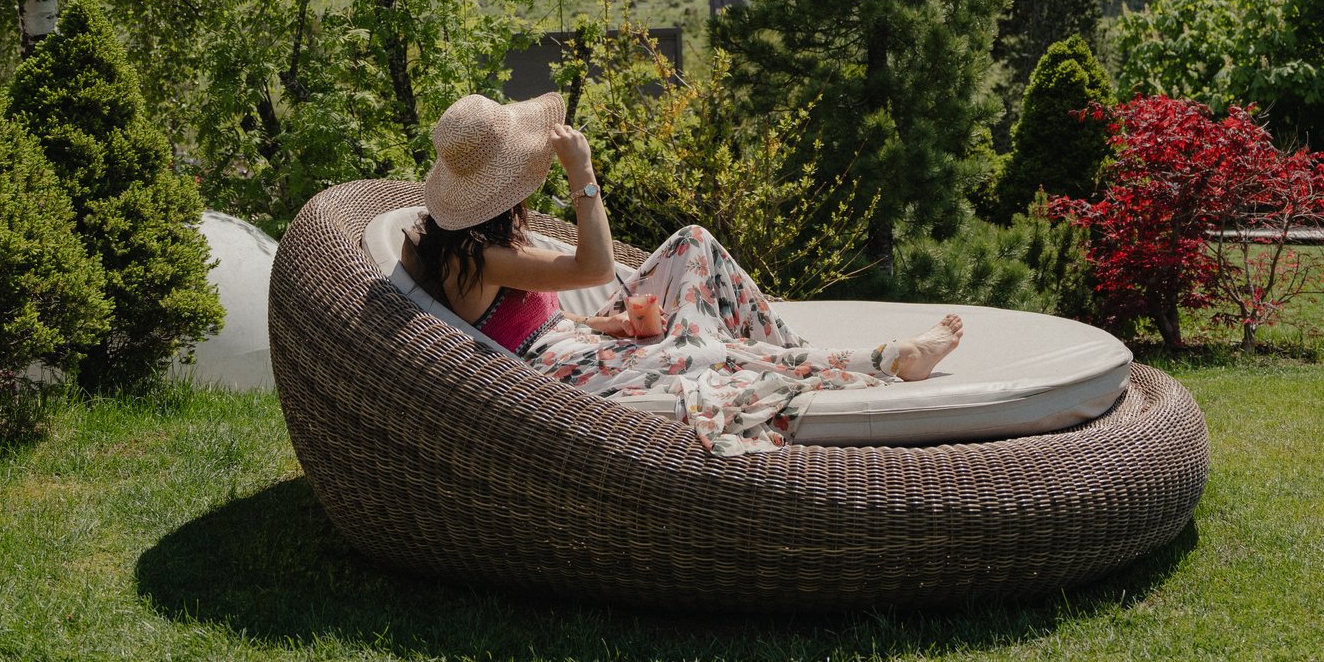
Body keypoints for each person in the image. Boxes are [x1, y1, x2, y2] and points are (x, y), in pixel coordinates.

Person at [401, 90, 963, 455]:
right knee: (700, 355)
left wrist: (611, 326)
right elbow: (589, 269)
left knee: (693, 243)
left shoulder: (483, 242)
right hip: (559, 376)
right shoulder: (478, 260)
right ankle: (889, 359)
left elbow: (534, 322)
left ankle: (790, 349)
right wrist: (583, 175)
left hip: (576, 341)